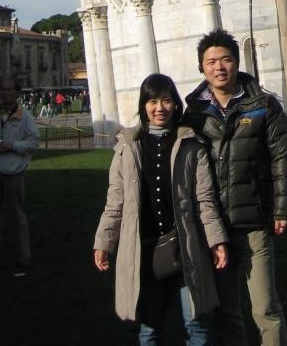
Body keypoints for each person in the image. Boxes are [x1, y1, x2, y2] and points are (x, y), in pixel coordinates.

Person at [94, 73, 228, 345]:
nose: (159, 108)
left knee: (197, 324)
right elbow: (115, 202)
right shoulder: (127, 149)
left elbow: (205, 199)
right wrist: (103, 242)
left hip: (185, 247)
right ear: (143, 105)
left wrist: (216, 240)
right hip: (143, 250)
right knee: (149, 328)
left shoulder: (191, 145)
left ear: (175, 104)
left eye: (166, 100)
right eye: (152, 101)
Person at [184, 29, 287, 346]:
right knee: (226, 312)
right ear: (202, 68)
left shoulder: (263, 105)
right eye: (211, 62)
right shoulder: (194, 113)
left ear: (236, 61)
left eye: (226, 59)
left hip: (255, 222)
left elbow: (282, 158)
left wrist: (283, 209)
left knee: (265, 309)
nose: (219, 67)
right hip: (214, 226)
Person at [0, 77, 40, 271]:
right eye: (3, 89)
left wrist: (13, 146)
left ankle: (23, 256)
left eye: (10, 89)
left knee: (18, 216)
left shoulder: (25, 117)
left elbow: (34, 142)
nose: (5, 93)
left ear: (17, 93)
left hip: (14, 173)